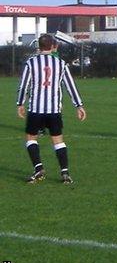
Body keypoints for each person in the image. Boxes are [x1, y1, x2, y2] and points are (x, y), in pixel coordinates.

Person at [16, 34, 86, 184]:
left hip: (36, 109)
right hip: (54, 110)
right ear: (53, 46)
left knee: (31, 138)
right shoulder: (61, 63)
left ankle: (39, 168)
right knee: (58, 140)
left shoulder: (31, 63)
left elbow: (24, 85)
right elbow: (70, 86)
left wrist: (20, 103)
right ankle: (65, 173)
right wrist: (79, 105)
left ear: (38, 46)